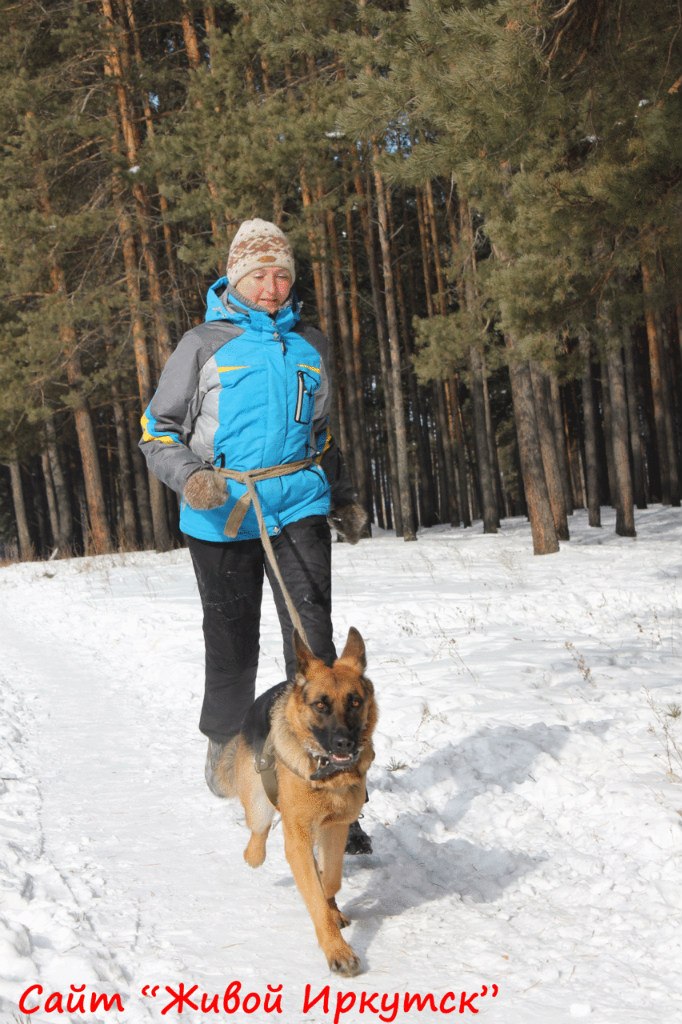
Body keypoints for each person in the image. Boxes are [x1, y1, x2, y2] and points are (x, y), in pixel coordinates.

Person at [139, 218, 371, 853]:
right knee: (232, 637)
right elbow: (156, 430)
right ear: (236, 278)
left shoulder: (311, 345)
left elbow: (320, 436)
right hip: (222, 513)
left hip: (296, 504)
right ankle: (228, 748)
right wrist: (191, 478)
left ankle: (334, 781)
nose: (273, 287)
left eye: (282, 276)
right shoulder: (202, 344)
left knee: (315, 648)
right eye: (260, 275)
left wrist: (343, 496)